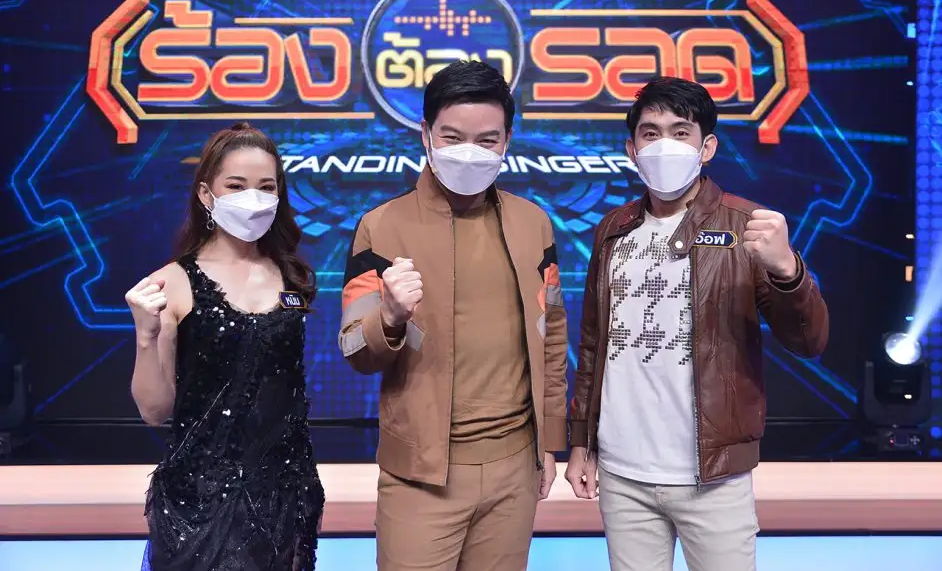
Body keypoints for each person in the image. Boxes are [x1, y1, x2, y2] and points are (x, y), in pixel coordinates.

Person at [565, 77, 829, 571]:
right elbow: (595, 345)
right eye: (650, 133)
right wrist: (582, 441)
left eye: (680, 132)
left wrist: (787, 270)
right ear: (632, 149)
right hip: (622, 474)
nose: (663, 144)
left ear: (706, 147)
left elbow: (810, 339)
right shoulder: (612, 230)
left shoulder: (747, 225)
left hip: (713, 475)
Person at [338, 60, 568, 571]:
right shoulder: (380, 226)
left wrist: (550, 443)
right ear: (426, 134)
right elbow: (354, 347)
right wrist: (389, 318)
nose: (470, 152)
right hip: (420, 478)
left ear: (507, 141)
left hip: (516, 472)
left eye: (487, 140)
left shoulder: (534, 224)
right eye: (452, 137)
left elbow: (551, 335)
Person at [126, 123, 325, 571]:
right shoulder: (172, 282)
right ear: (206, 194)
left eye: (266, 187)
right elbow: (155, 411)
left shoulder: (293, 278)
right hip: (198, 500)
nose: (253, 197)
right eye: (236, 185)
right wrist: (146, 336)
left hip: (286, 494)